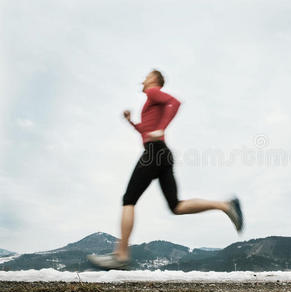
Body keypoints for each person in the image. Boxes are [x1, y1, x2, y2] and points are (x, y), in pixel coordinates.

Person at [87, 69, 243, 270]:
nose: (142, 80)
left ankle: (121, 255)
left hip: (155, 152)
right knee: (176, 206)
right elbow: (146, 131)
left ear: (154, 80)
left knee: (129, 199)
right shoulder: (150, 102)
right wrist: (131, 122)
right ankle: (225, 205)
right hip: (162, 154)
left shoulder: (153, 92)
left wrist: (162, 127)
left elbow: (175, 103)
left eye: (146, 76)